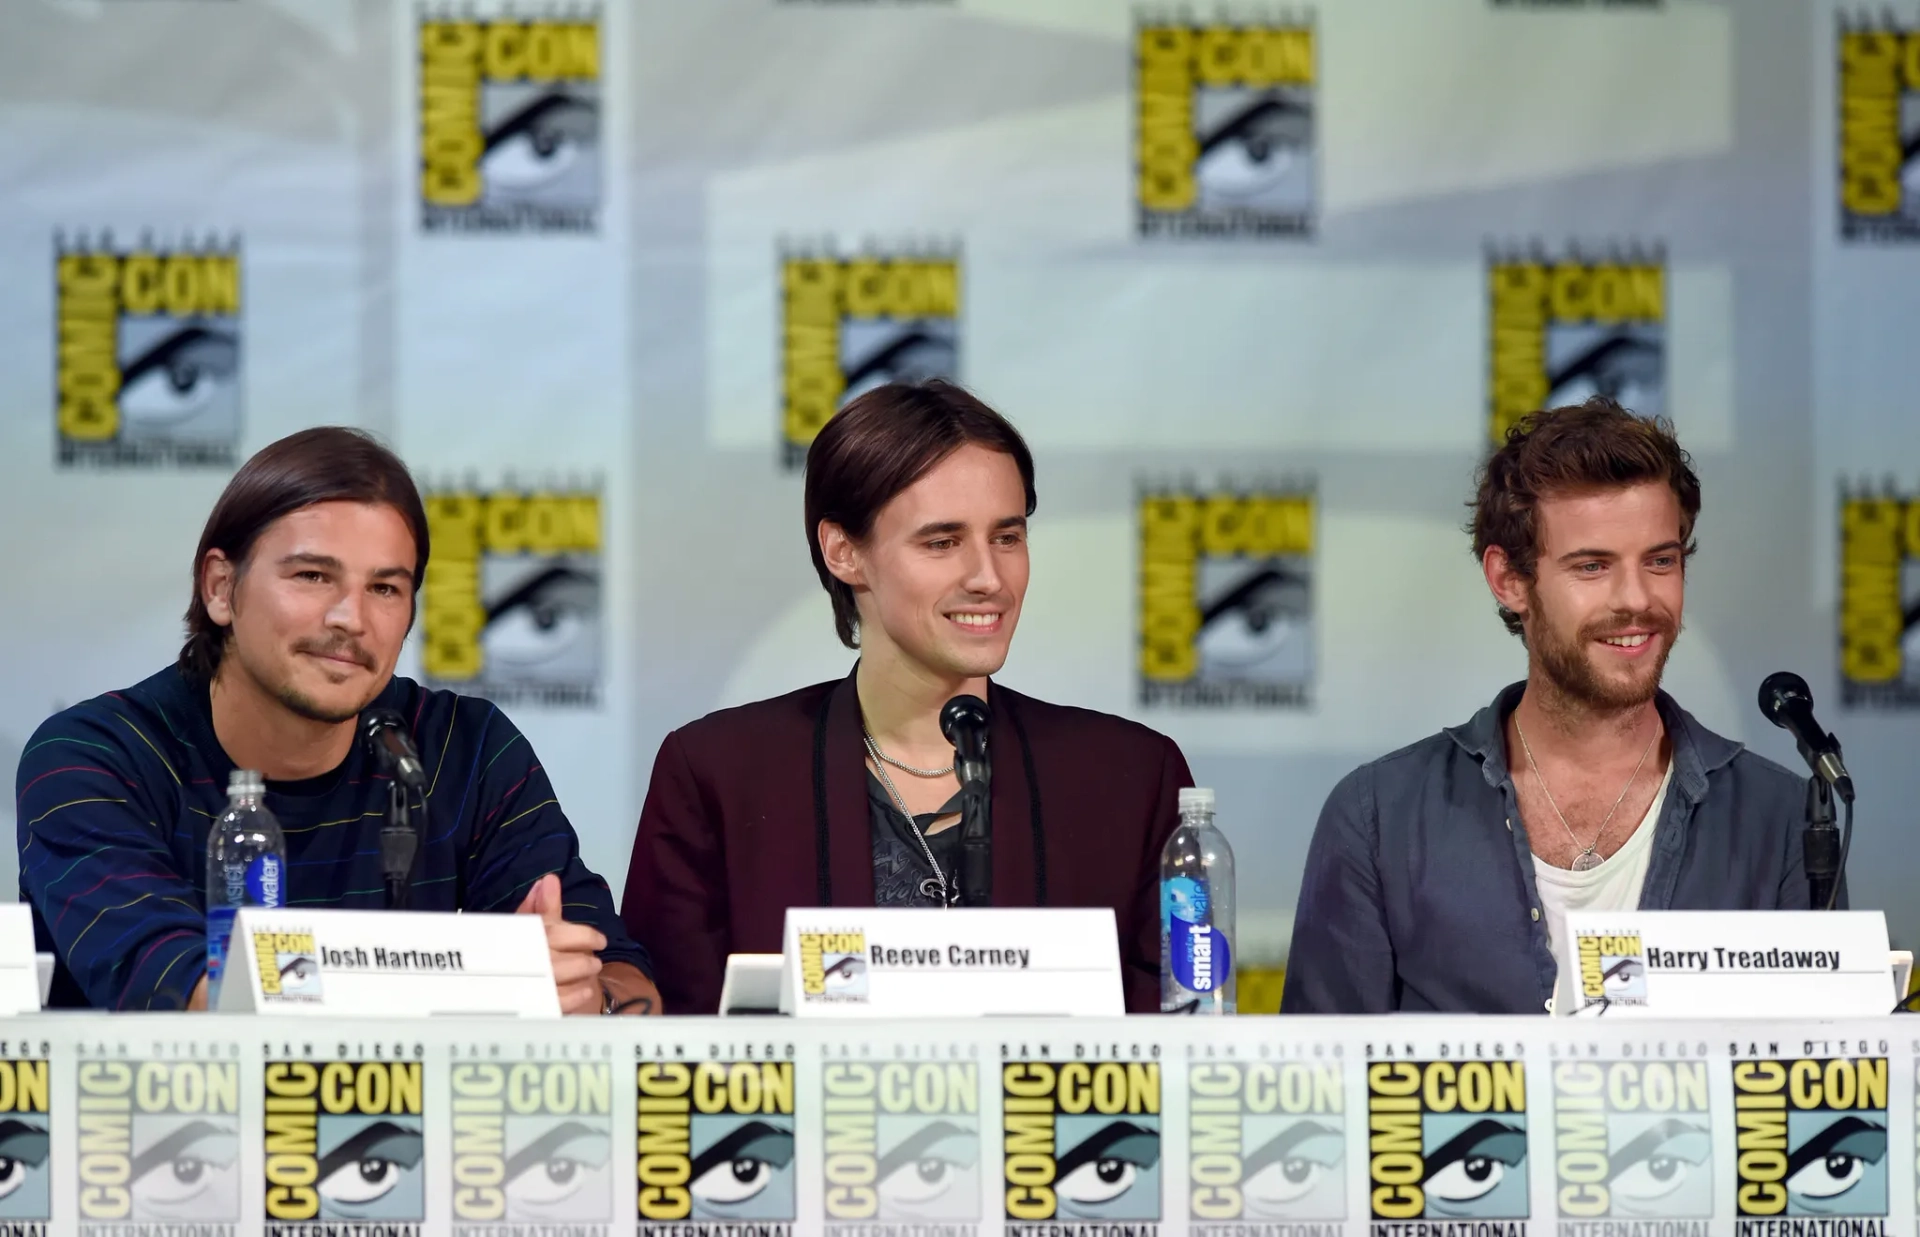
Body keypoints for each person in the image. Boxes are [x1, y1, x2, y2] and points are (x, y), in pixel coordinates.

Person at [15, 427, 660, 1014]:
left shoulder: (458, 750)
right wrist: (481, 981)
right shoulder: (93, 758)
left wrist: (587, 999)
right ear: (219, 587)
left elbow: (631, 988)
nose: (350, 618)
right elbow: (191, 997)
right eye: (313, 575)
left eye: (385, 588)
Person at [623, 380, 1193, 1013]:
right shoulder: (720, 775)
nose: (989, 578)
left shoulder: (1130, 778)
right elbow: (666, 1052)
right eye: (942, 542)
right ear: (844, 552)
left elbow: (1180, 1052)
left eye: (1007, 537)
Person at [1282, 397, 1812, 1015]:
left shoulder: (1781, 821)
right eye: (1592, 566)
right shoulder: (1379, 817)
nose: (1637, 599)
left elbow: (1812, 1091)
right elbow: (1322, 1084)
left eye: (1660, 561)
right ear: (1509, 581)